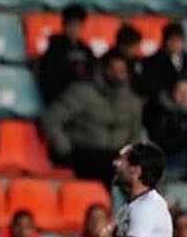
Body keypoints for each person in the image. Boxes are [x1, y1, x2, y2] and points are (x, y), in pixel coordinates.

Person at [41, 51, 143, 182]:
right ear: (103, 70)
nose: (117, 74)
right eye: (113, 69)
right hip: (83, 155)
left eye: (122, 70)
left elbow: (135, 133)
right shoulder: (81, 93)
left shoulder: (133, 101)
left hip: (116, 158)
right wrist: (64, 148)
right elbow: (51, 119)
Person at [38, 3, 94, 104]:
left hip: (84, 100)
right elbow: (49, 81)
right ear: (64, 26)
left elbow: (93, 74)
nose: (75, 29)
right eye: (72, 25)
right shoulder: (54, 49)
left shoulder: (86, 50)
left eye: (79, 26)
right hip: (61, 101)